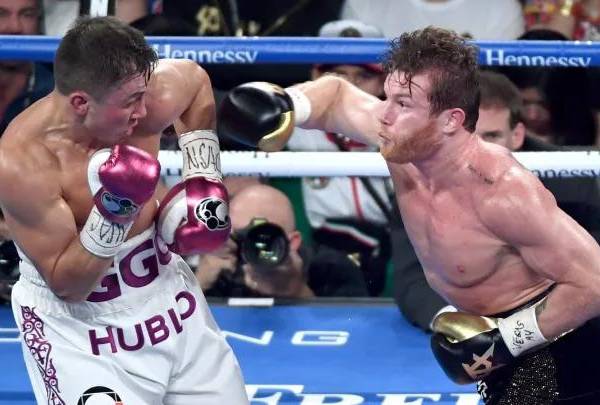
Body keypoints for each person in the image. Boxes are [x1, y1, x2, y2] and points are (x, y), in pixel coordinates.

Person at [218, 26, 600, 403]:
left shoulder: (500, 192)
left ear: (450, 120)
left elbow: (594, 283)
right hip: (501, 339)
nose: (384, 114)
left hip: (563, 339)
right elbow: (336, 96)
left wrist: (505, 341)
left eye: (403, 104)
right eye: (387, 97)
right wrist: (288, 103)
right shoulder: (404, 141)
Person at [0, 17, 247, 404]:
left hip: (168, 301)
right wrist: (117, 210)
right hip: (82, 332)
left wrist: (204, 178)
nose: (143, 111)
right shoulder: (22, 163)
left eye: (143, 94)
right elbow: (69, 286)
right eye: (130, 101)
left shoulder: (147, 99)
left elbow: (195, 82)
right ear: (81, 103)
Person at [287, 19, 392, 297]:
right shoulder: (291, 127)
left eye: (363, 76)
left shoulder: (404, 130)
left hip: (392, 250)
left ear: (383, 82)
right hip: (321, 252)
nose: (349, 88)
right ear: (315, 77)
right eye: (337, 77)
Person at [198, 184, 369, 298]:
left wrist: (296, 291)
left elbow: (354, 331)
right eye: (240, 236)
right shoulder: (220, 269)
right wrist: (198, 285)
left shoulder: (329, 268)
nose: (255, 246)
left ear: (293, 241)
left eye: (265, 237)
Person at [0, 0, 54, 134]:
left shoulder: (60, 90)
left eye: (27, 14)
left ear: (39, 22)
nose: (15, 27)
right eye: (1, 14)